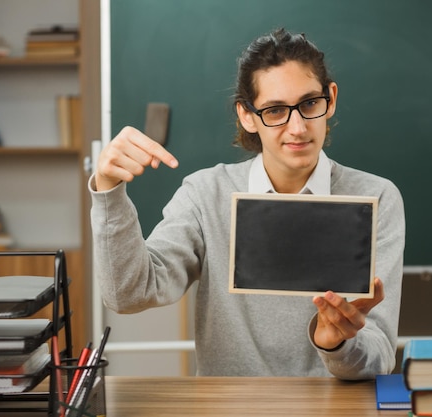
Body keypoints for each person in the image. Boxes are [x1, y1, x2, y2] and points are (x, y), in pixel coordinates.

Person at [89, 28, 405, 379]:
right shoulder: (205, 194)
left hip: (333, 407)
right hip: (229, 407)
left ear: (330, 98)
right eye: (274, 110)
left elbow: (379, 358)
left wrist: (337, 345)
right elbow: (128, 294)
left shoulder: (375, 198)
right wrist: (109, 190)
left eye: (309, 104)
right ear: (247, 115)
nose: (297, 127)